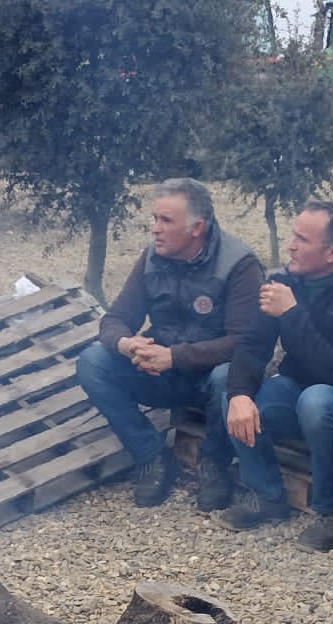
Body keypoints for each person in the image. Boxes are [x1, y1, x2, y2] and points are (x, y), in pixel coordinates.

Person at [77, 178, 262, 509]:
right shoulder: (152, 257)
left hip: (209, 379)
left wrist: (175, 356)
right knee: (93, 361)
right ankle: (152, 456)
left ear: (197, 228)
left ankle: (214, 464)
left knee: (228, 377)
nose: (155, 229)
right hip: (160, 373)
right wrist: (126, 344)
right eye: (155, 218)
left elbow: (244, 342)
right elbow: (115, 318)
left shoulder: (239, 265)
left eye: (165, 220)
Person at [212, 200, 333, 541]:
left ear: (332, 253)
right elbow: (252, 345)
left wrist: (292, 313)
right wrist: (239, 395)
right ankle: (266, 495)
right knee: (231, 390)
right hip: (294, 389)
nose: (291, 245)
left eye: (302, 240)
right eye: (293, 235)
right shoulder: (282, 280)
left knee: (316, 400)